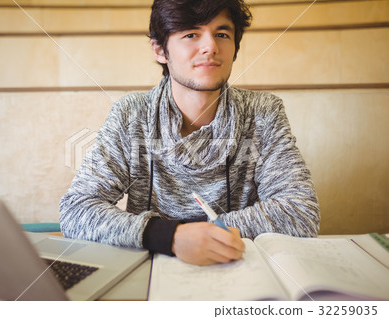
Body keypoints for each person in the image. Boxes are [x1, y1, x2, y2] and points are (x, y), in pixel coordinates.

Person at [59, 0, 320, 266]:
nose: (211, 47)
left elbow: (301, 212)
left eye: (222, 34)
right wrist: (170, 236)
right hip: (151, 271)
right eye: (191, 34)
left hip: (239, 269)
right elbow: (76, 210)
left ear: (235, 48)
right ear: (160, 50)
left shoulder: (263, 112)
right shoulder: (130, 114)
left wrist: (198, 235)